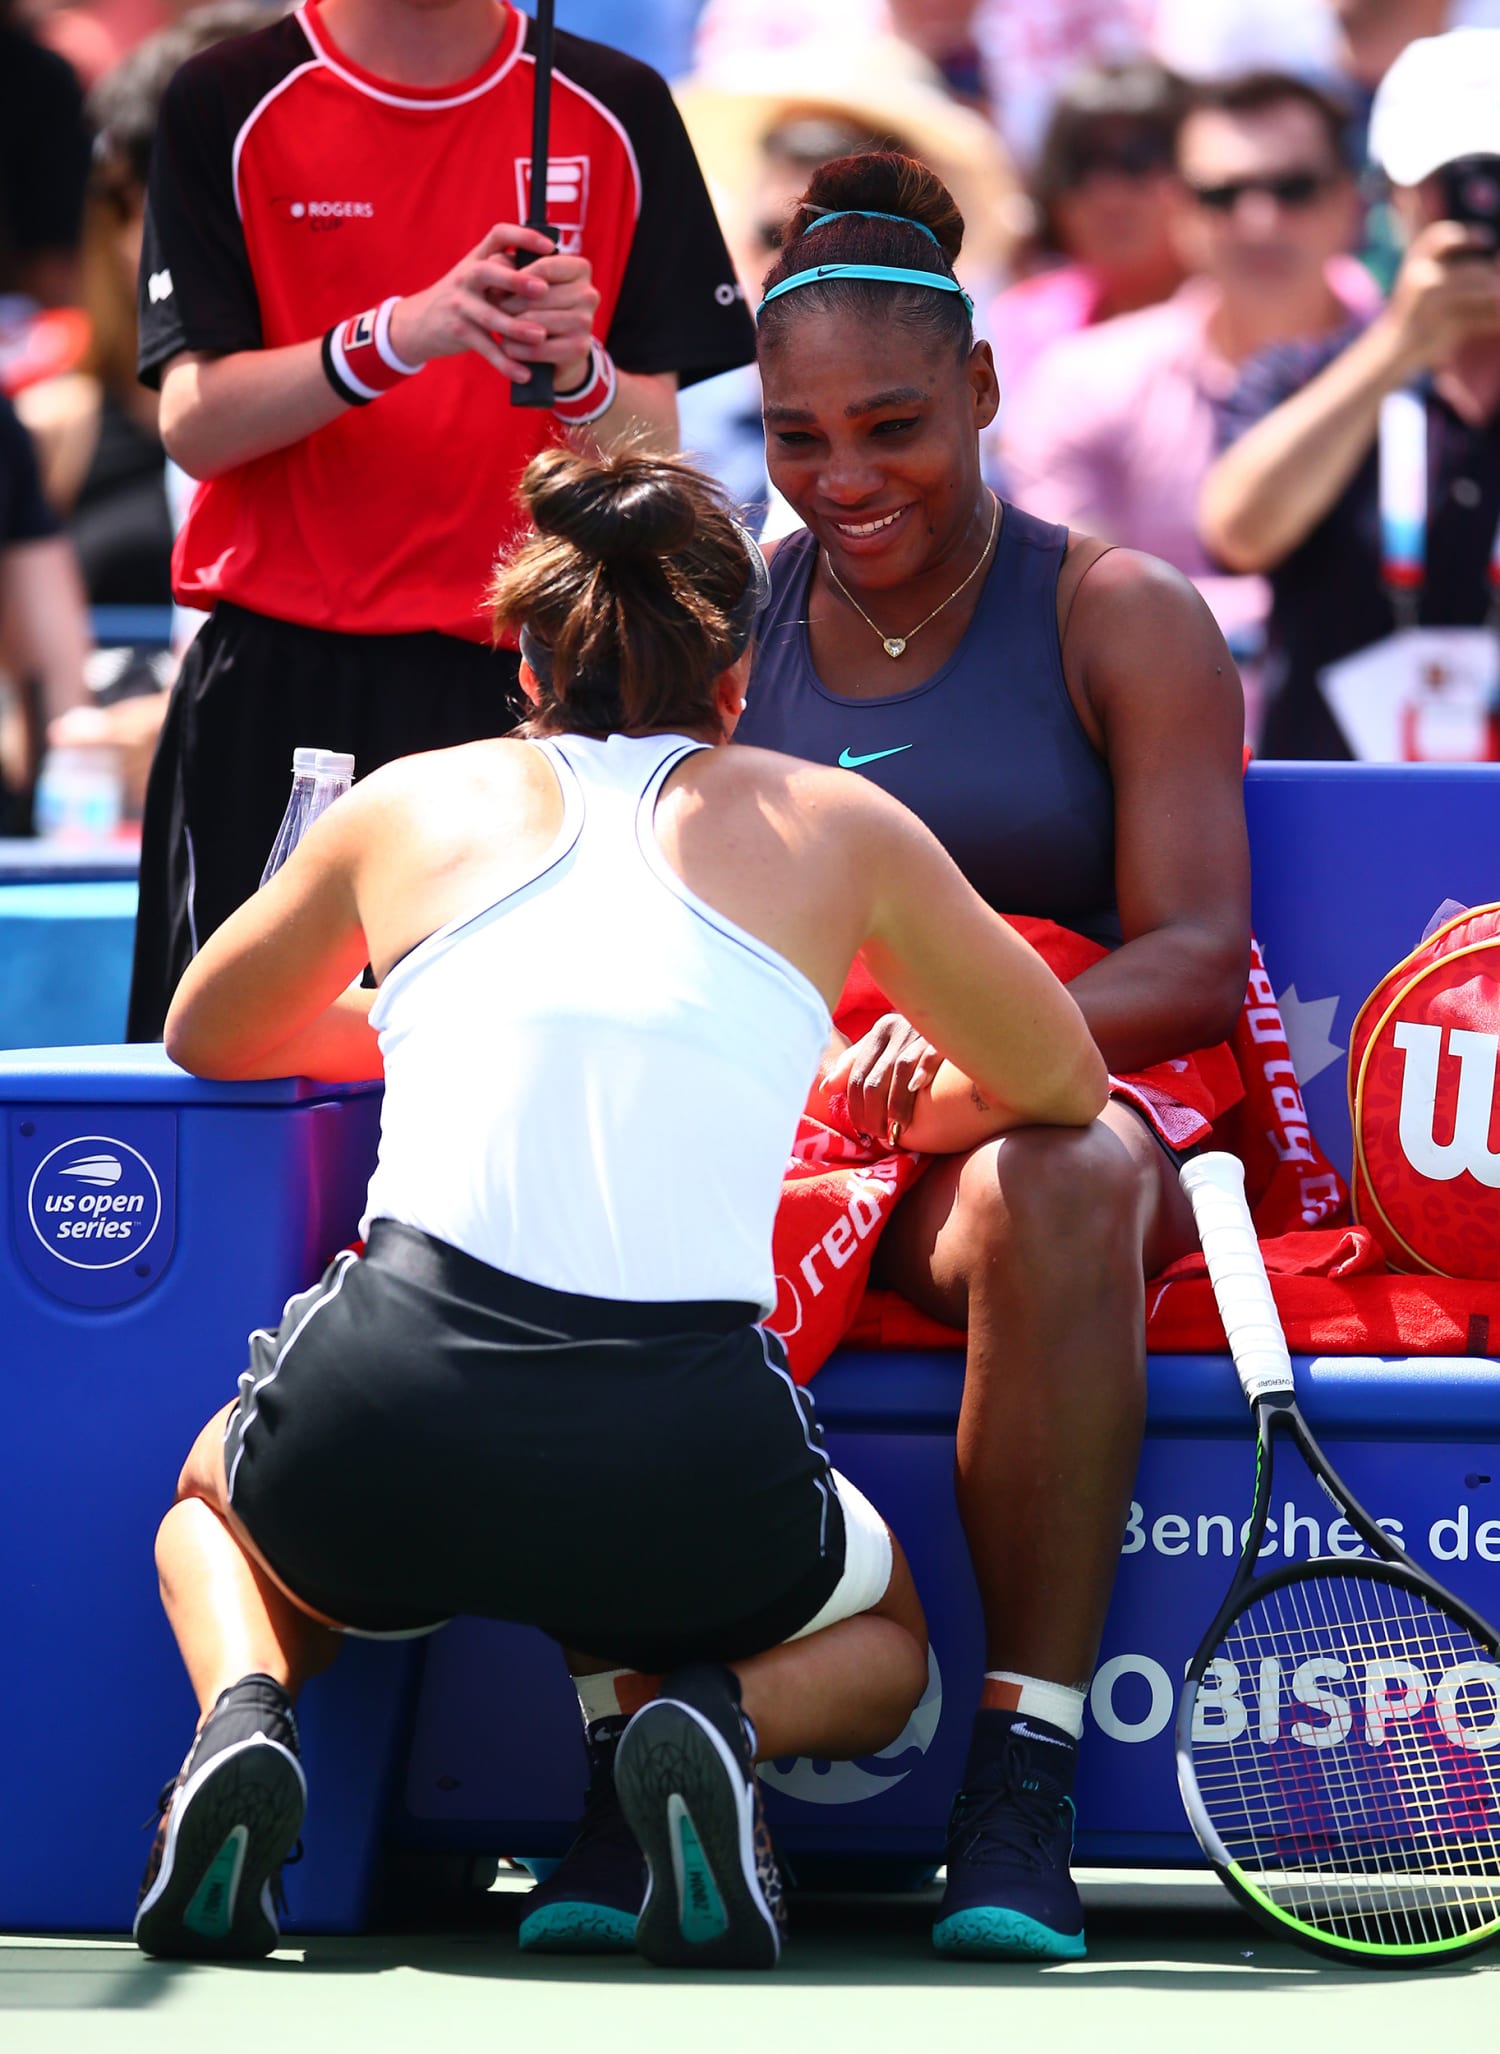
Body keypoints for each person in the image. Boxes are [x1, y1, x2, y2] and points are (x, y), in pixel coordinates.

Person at [136, 442, 1107, 1970]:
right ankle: (711, 1723)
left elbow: (208, 1027)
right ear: (739, 665)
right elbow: (1064, 1078)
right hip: (681, 1462)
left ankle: (249, 1718)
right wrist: (845, 1079)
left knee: (215, 1509)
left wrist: (411, 1011)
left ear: (524, 649)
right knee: (887, 1653)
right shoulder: (839, 830)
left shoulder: (404, 807)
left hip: (392, 1412)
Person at [521, 152, 1251, 1965]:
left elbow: (1197, 953)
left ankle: (1024, 1771)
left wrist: (987, 1045)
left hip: (1049, 1098)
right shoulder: (721, 618)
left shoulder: (1120, 611)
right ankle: (644, 1737)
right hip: (793, 1106)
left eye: (894, 427)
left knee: (1063, 1175)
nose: (844, 479)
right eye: (797, 435)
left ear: (990, 391)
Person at [124, 0, 754, 1042]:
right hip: (287, 680)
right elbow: (194, 424)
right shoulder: (227, 95)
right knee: (237, 1068)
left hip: (534, 689)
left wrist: (582, 371)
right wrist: (398, 336)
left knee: (498, 1064)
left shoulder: (618, 105)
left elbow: (657, 441)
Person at [999, 70, 1378, 673]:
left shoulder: (1444, 370)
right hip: (1163, 751)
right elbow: (1079, 614)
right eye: (1222, 195)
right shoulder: (1081, 379)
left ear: (1353, 204)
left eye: (1295, 189)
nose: (1259, 221)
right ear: (1181, 209)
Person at [1199, 28, 1500, 760]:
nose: (1483, 206)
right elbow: (1237, 530)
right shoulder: (1302, 376)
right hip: (1341, 819)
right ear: (1394, 199)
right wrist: (1403, 345)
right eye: (1453, 181)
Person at [988, 60, 1188, 399]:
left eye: (1137, 160)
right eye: (1080, 166)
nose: (1106, 195)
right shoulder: (1017, 324)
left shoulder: (1252, 317)